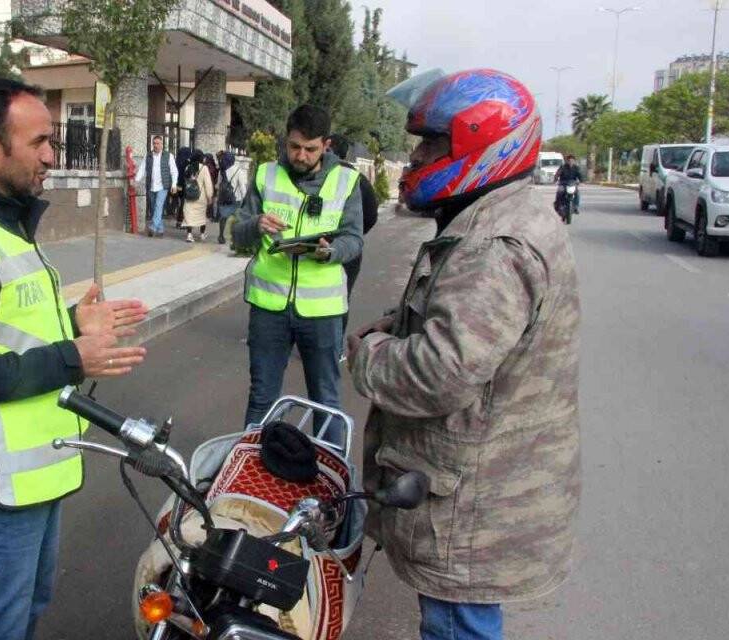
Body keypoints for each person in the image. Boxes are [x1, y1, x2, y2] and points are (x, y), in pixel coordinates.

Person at [0, 78, 150, 640]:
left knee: (24, 612)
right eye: (39, 141)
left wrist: (70, 326)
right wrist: (71, 357)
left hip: (30, 479)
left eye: (52, 141)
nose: (51, 155)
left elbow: (6, 335)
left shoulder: (2, 223)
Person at [347, 68, 581, 640]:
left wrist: (369, 353)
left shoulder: (493, 246)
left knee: (456, 625)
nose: (419, 156)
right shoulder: (501, 216)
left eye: (432, 143)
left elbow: (440, 374)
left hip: (471, 506)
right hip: (481, 486)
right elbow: (469, 334)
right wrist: (403, 325)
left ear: (482, 145)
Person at [231, 104, 364, 427]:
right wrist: (256, 224)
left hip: (322, 312)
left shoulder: (346, 181)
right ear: (285, 141)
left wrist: (330, 251)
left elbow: (354, 239)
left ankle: (329, 473)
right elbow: (237, 232)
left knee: (326, 400)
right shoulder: (266, 174)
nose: (300, 155)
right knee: (262, 397)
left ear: (326, 145)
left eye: (310, 149)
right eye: (294, 146)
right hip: (269, 309)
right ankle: (252, 469)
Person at [327, 133, 379, 334]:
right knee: (342, 296)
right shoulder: (359, 180)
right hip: (350, 249)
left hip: (320, 246)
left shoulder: (317, 177)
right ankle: (335, 344)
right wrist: (355, 235)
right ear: (347, 153)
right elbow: (372, 215)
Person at [135, 135, 178, 237]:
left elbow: (174, 171)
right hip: (151, 185)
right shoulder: (148, 156)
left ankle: (153, 227)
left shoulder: (168, 156)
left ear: (162, 145)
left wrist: (174, 184)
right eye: (154, 143)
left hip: (163, 186)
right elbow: (142, 169)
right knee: (154, 208)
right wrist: (136, 180)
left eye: (158, 143)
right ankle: (160, 229)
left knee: (158, 206)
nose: (156, 145)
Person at [179, 150, 215, 242]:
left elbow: (185, 181)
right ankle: (202, 234)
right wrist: (209, 196)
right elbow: (208, 184)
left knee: (189, 215)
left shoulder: (188, 167)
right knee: (201, 215)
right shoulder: (204, 168)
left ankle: (189, 235)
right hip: (201, 197)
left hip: (189, 195)